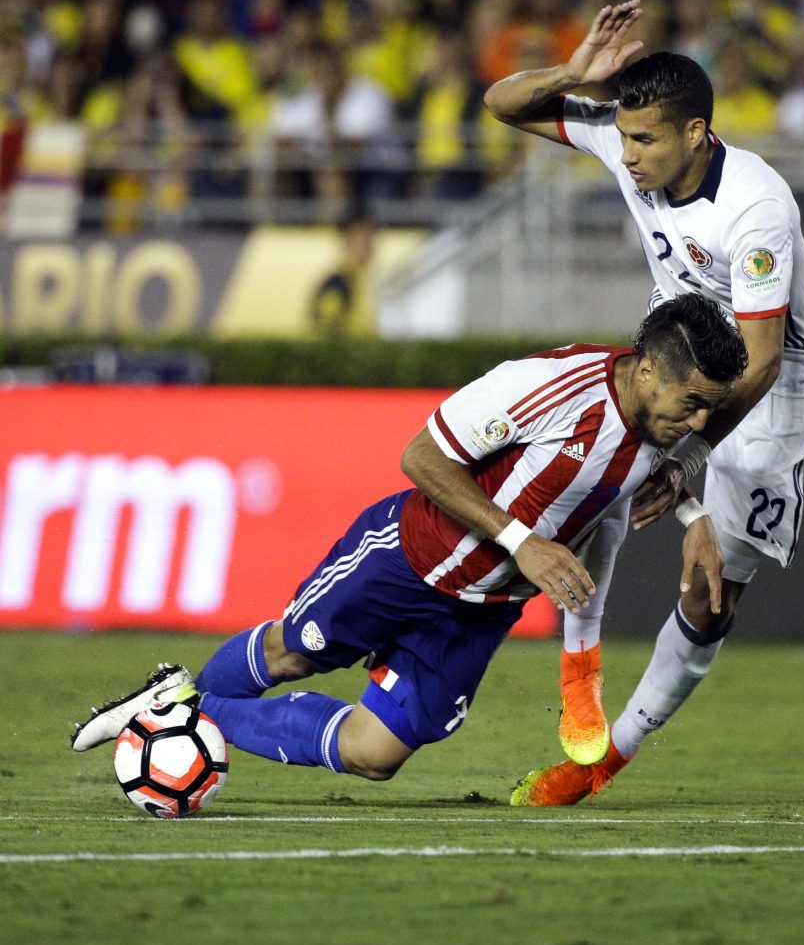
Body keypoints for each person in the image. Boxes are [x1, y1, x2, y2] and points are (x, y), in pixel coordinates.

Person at [71, 295, 747, 792]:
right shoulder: (550, 387)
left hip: (477, 612)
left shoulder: (654, 434)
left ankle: (180, 706)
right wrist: (523, 541)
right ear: (650, 371)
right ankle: (181, 700)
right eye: (692, 402)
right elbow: (422, 456)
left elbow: (605, 508)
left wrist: (691, 515)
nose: (698, 422)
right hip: (406, 558)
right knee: (290, 654)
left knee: (375, 755)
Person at [484, 0, 804, 806]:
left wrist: (685, 461)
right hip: (666, 361)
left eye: (644, 140)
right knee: (585, 482)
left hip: (769, 393)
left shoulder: (755, 210)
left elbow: (757, 358)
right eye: (624, 136)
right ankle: (580, 679)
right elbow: (501, 104)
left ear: (695, 133)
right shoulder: (624, 136)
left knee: (708, 592)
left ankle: (606, 757)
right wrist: (573, 76)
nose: (627, 155)